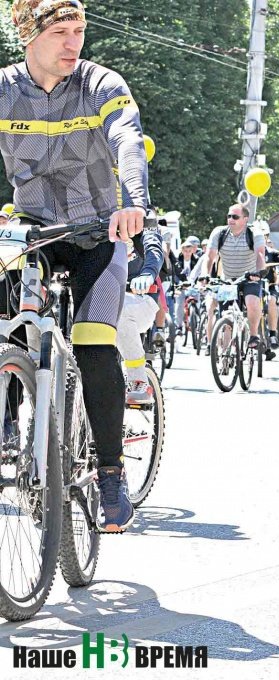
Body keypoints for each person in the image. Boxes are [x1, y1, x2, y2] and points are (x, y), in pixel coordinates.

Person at [1, 0, 150, 532]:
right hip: (30, 231)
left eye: (79, 31)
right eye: (60, 32)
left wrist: (133, 200)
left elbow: (127, 139)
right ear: (28, 36)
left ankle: (110, 470)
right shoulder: (3, 89)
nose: (73, 44)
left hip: (99, 231)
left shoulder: (101, 84)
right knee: (6, 327)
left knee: (91, 342)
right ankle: (8, 418)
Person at [204, 204, 268, 355]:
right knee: (227, 316)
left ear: (245, 219)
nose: (231, 219)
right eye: (229, 216)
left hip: (250, 277)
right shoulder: (219, 233)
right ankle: (225, 355)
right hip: (228, 280)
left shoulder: (254, 233)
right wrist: (205, 275)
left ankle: (253, 335)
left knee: (252, 302)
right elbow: (209, 256)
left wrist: (258, 272)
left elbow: (260, 254)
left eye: (235, 217)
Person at [117, 232, 162, 405]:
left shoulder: (144, 232)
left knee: (119, 310)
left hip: (141, 300)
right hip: (102, 299)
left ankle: (138, 380)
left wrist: (148, 273)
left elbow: (154, 251)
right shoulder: (97, 228)